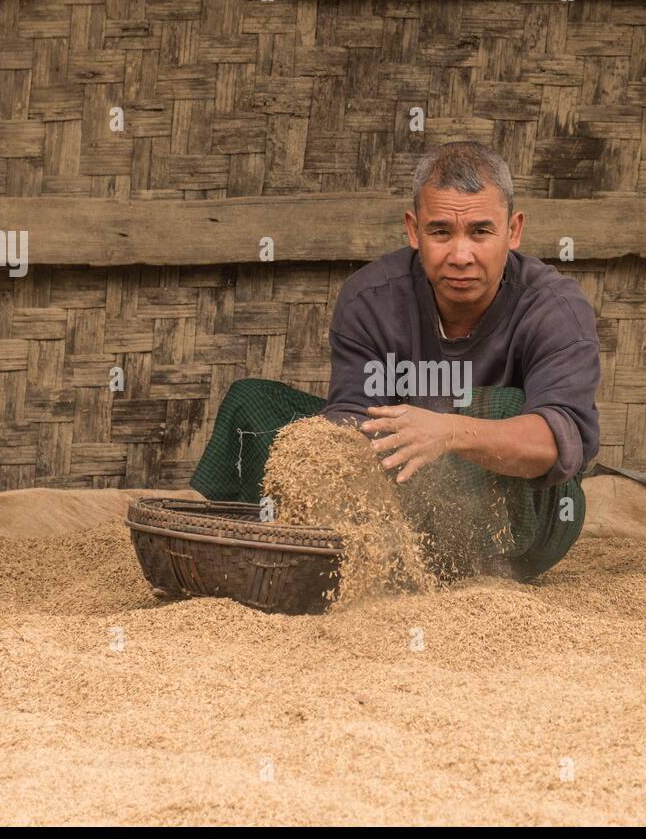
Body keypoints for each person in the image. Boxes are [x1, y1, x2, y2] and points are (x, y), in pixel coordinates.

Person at [190, 140, 601, 579]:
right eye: (441, 232)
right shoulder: (369, 299)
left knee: (505, 406)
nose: (461, 255)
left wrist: (445, 432)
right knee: (255, 403)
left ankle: (466, 563)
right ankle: (287, 542)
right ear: (413, 230)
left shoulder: (556, 307)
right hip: (402, 492)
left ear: (513, 231)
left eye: (480, 232)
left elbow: (560, 441)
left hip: (523, 520)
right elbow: (351, 414)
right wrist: (336, 456)